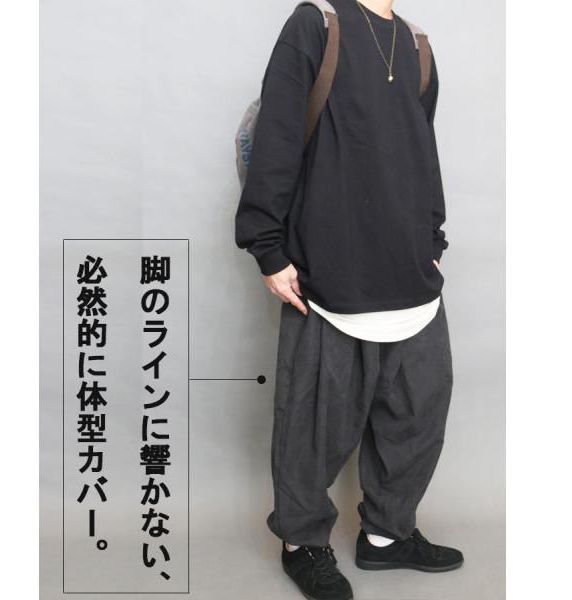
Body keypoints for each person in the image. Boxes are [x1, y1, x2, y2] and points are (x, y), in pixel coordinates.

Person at [235, 1, 463, 598]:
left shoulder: (416, 44)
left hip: (408, 267)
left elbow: (421, 150)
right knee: (315, 420)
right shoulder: (316, 24)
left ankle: (387, 535)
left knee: (417, 411)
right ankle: (302, 544)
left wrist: (433, 237)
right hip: (329, 265)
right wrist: (267, 248)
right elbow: (278, 135)